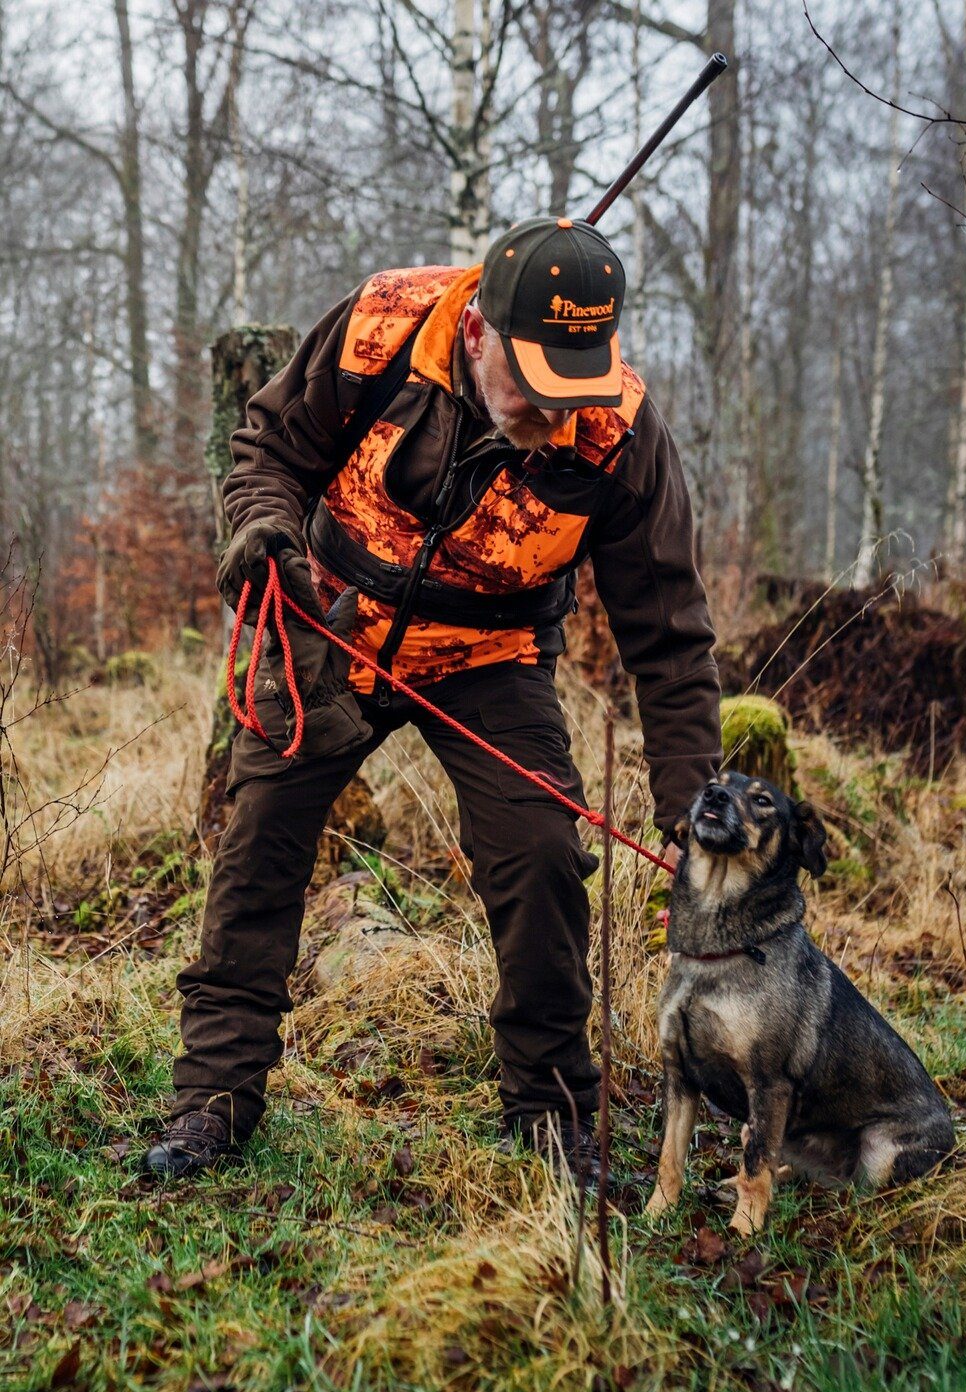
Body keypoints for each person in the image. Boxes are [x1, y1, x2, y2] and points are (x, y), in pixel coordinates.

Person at [143, 216, 721, 1179]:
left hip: (491, 651)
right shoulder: (383, 323)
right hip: (331, 620)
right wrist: (263, 538)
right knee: (258, 851)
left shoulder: (620, 429)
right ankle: (213, 1102)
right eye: (531, 392)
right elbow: (268, 450)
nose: (551, 417)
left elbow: (667, 633)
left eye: (568, 393)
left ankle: (552, 1114)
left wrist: (692, 809)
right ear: (485, 332)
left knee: (541, 856)